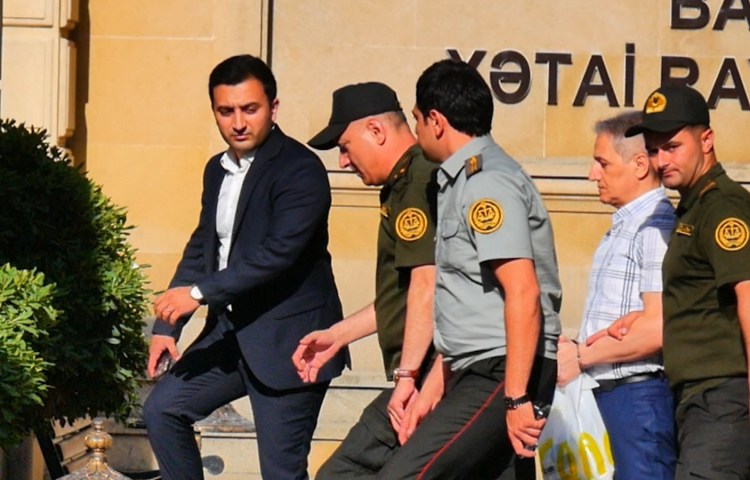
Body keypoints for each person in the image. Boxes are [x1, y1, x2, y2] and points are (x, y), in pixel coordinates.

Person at [142, 54, 348, 480]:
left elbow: (278, 254)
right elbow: (204, 246)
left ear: (273, 108)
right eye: (226, 111)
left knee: (281, 474)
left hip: (291, 343)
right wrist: (167, 326)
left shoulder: (301, 169)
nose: (237, 122)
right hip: (230, 335)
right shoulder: (216, 170)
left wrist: (196, 295)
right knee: (162, 410)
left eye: (249, 109)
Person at [368, 59, 562, 479]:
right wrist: (429, 392)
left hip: (501, 369)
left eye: (417, 121)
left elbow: (523, 292)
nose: (416, 134)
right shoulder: (459, 182)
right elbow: (468, 308)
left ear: (436, 121)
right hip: (480, 367)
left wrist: (514, 399)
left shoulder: (486, 183)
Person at [292, 81, 438, 477]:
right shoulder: (402, 184)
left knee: (344, 472)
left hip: (429, 377)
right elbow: (403, 295)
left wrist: (407, 377)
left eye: (344, 146)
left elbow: (428, 285)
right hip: (421, 376)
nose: (342, 161)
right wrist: (338, 335)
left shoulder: (417, 181)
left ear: (376, 131)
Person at [624, 84, 750, 479]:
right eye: (654, 150)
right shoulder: (693, 207)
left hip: (722, 398)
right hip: (699, 399)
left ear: (706, 139)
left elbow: (748, 295)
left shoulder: (722, 206)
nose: (661, 160)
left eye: (673, 146)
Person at [556, 111, 677, 479]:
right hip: (608, 397)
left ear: (640, 165)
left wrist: (579, 354)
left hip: (636, 400)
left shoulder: (654, 228)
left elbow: (657, 328)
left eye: (602, 162)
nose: (593, 174)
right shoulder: (624, 227)